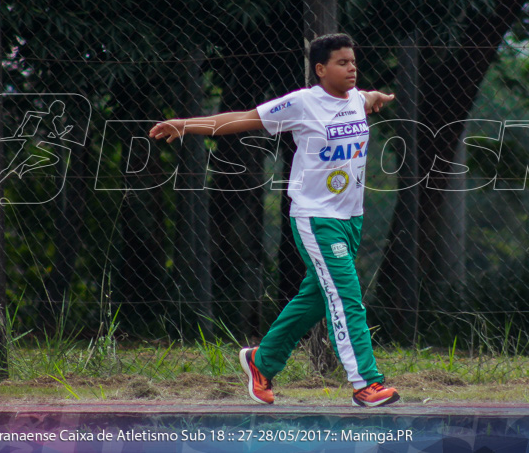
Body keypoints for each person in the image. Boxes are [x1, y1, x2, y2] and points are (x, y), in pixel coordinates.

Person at [149, 33, 399, 408]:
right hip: (317, 218)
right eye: (342, 63)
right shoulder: (301, 104)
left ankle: (261, 361)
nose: (351, 68)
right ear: (320, 69)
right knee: (347, 298)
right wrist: (186, 124)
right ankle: (366, 383)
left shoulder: (356, 99)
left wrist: (374, 97)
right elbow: (244, 119)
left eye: (353, 62)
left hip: (351, 217)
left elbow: (365, 98)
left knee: (316, 297)